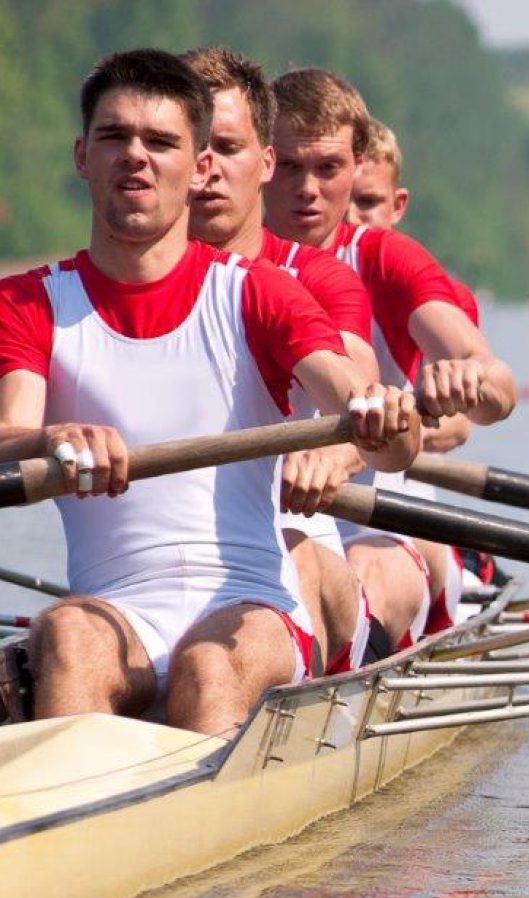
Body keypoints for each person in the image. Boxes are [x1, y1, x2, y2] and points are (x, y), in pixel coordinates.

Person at [0, 50, 419, 736]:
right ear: (82, 156)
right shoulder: (30, 302)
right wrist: (49, 438)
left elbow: (370, 419)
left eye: (160, 141)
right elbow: (8, 434)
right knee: (68, 636)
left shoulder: (259, 294)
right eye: (114, 138)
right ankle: (66, 825)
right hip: (114, 612)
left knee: (205, 669)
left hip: (250, 605)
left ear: (197, 169)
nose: (135, 157)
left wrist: (383, 417)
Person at [264, 68, 517, 647]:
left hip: (384, 525)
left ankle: (343, 667)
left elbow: (495, 390)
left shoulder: (384, 259)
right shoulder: (221, 266)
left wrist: (469, 377)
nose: (307, 189)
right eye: (291, 166)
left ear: (353, 171)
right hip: (261, 529)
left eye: (326, 169)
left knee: (365, 572)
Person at [183, 45, 385, 674]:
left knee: (293, 556)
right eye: (193, 145)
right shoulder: (99, 291)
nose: (207, 167)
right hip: (163, 577)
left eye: (226, 147)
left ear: (258, 162)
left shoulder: (315, 279)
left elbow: (362, 395)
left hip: (302, 551)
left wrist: (332, 451)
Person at [347, 116, 507, 629]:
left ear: (398, 207)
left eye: (367, 203)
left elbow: (459, 426)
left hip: (400, 521)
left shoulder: (428, 293)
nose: (349, 216)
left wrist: (383, 427)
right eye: (342, 196)